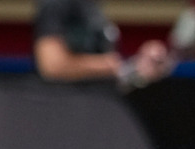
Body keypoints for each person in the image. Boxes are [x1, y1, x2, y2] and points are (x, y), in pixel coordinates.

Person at [34, 0, 174, 90]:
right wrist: (110, 66)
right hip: (65, 112)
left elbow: (107, 76)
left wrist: (137, 67)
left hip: (95, 111)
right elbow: (51, 66)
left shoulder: (91, 7)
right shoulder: (56, 4)